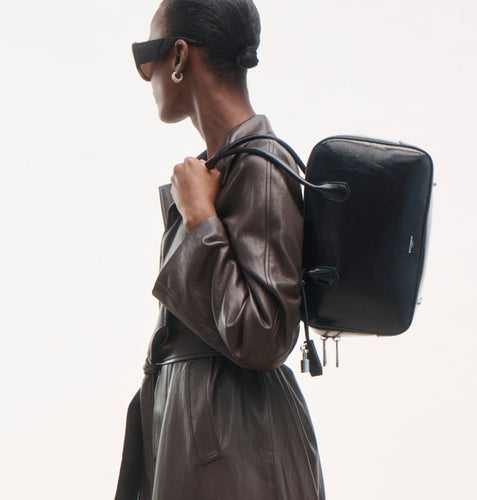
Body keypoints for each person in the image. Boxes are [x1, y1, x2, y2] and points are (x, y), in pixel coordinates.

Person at [115, 1, 325, 499]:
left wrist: (200, 219)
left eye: (147, 55)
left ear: (179, 56)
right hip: (208, 436)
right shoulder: (224, 164)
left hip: (238, 444)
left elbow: (265, 336)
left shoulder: (262, 164)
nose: (146, 73)